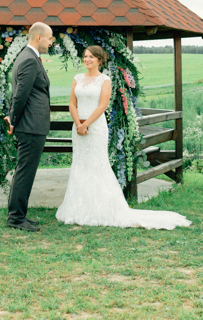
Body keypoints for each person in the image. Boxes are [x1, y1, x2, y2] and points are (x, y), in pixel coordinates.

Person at [56, 46, 191, 229]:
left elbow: (102, 106)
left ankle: (101, 208)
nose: (87, 59)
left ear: (100, 60)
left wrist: (86, 124)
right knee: (80, 163)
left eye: (91, 57)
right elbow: (72, 103)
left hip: (95, 128)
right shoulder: (77, 79)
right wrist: (77, 123)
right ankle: (78, 207)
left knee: (97, 164)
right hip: (77, 128)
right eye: (85, 56)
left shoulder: (105, 80)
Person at [3, 22, 53, 232]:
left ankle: (19, 214)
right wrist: (13, 120)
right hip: (31, 126)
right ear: (39, 37)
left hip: (31, 125)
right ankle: (16, 217)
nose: (51, 43)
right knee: (24, 172)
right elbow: (20, 95)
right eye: (50, 38)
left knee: (25, 172)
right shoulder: (30, 60)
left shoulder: (27, 57)